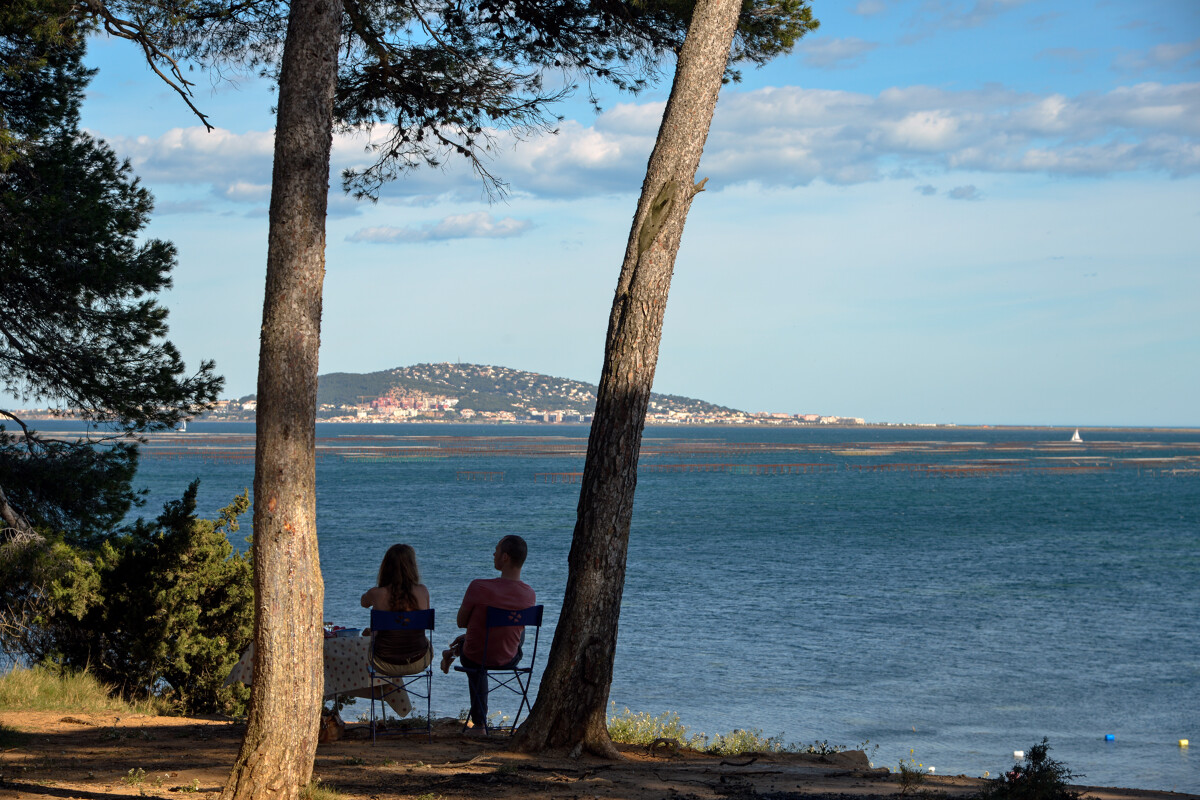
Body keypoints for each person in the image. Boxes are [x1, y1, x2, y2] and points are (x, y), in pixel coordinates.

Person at [446, 535, 535, 730]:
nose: (493, 554)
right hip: (510, 658)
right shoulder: (529, 594)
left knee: (476, 658)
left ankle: (480, 724)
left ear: (505, 557)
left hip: (476, 656)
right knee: (517, 628)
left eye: (496, 550)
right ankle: (461, 646)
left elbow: (461, 622)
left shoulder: (479, 586)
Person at [360, 543, 433, 678]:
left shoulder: (376, 593)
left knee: (372, 638)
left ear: (386, 567)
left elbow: (363, 603)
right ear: (412, 567)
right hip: (419, 660)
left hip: (383, 662)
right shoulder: (422, 591)